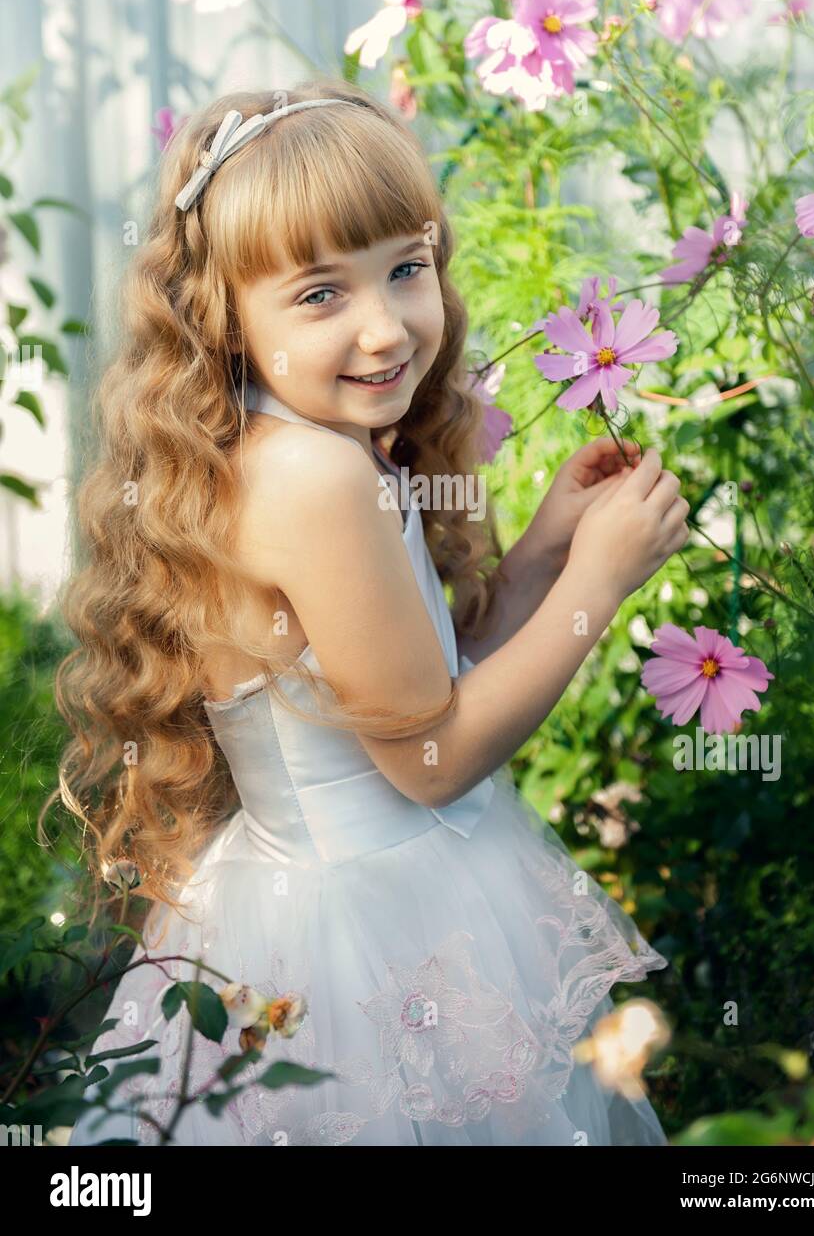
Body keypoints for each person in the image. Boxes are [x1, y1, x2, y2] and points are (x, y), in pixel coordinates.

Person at [58, 77, 688, 1146]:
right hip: (369, 930)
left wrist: (544, 550)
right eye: (320, 294)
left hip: (331, 895)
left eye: (406, 269)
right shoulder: (315, 480)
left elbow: (415, 694)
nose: (387, 326)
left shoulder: (286, 448)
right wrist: (597, 587)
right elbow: (430, 760)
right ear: (226, 317)